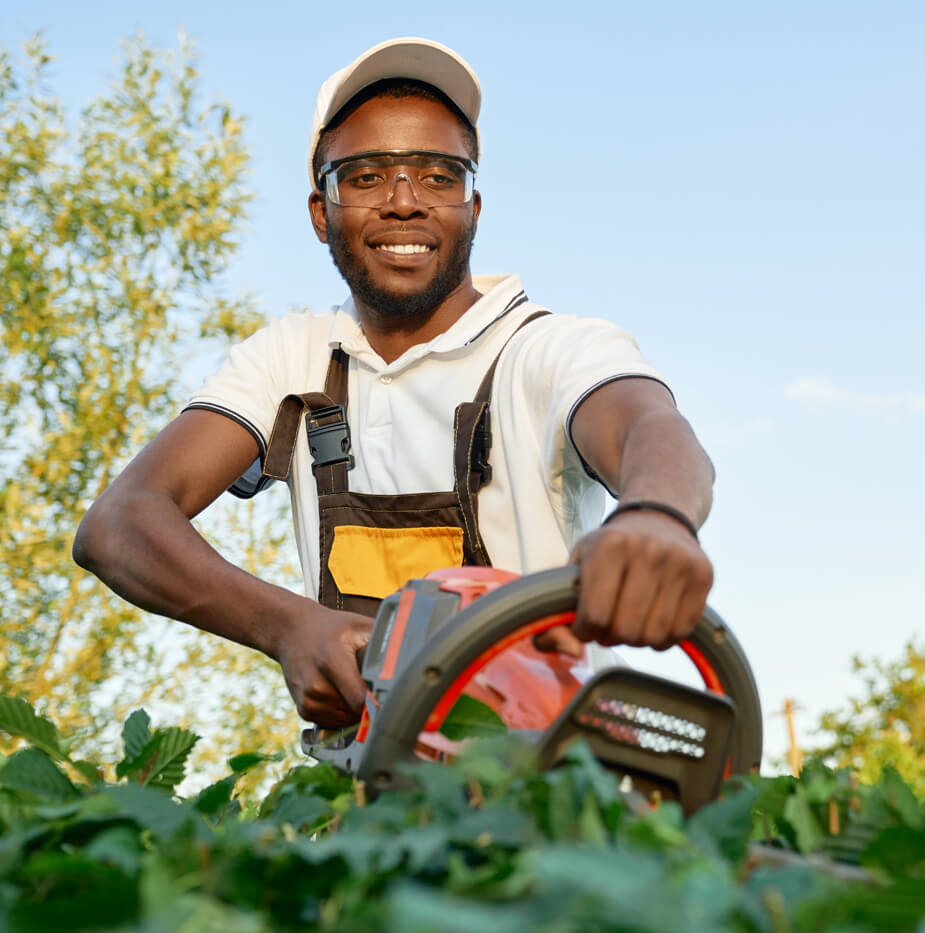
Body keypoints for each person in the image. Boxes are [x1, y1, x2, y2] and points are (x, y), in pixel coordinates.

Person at [73, 37, 715, 731]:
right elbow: (120, 524)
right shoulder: (295, 360)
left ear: (474, 207)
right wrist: (289, 626)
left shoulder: (547, 348)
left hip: (558, 785)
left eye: (440, 176)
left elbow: (648, 426)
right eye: (366, 175)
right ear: (321, 211)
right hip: (375, 809)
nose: (405, 202)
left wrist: (658, 516)